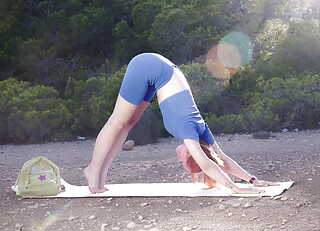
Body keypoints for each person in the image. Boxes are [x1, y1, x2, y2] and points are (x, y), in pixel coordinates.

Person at [84, 53, 277, 194]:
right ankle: (93, 169)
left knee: (128, 123)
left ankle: (101, 172)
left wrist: (253, 180)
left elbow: (221, 159)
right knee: (117, 121)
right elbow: (210, 165)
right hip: (147, 65)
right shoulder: (188, 131)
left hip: (163, 72)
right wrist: (235, 188)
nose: (179, 159)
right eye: (184, 161)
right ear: (190, 154)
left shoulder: (202, 131)